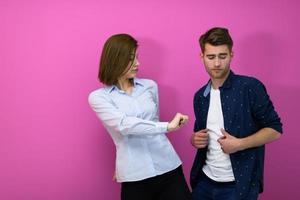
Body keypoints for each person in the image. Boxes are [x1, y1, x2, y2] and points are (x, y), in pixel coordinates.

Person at [88, 34, 191, 200]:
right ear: (115, 59)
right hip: (134, 176)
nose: (138, 63)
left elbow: (151, 122)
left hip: (169, 167)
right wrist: (167, 127)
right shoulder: (99, 98)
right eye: (131, 58)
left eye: (137, 57)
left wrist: (160, 126)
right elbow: (124, 125)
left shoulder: (150, 86)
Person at [190, 27, 283, 200]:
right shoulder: (200, 97)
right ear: (201, 57)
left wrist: (239, 144)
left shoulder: (250, 87)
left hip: (239, 185)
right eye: (211, 57)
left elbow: (275, 129)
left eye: (222, 56)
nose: (217, 63)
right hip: (204, 181)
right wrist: (194, 139)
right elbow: (200, 134)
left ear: (231, 55)